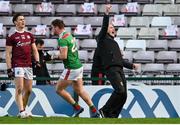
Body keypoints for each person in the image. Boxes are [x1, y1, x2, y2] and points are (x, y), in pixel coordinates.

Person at [93, 4, 139, 118]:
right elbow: (104, 27)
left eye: (113, 27)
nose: (112, 28)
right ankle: (104, 110)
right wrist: (106, 13)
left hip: (119, 69)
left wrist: (132, 65)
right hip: (111, 69)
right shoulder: (102, 39)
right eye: (110, 27)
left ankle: (113, 115)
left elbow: (120, 60)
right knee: (120, 90)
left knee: (124, 95)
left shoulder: (114, 43)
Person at [51, 19, 99, 118]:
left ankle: (77, 107)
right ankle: (94, 110)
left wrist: (53, 56)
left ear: (56, 27)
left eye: (52, 27)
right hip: (78, 66)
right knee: (80, 90)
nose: (52, 30)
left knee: (58, 89)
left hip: (71, 67)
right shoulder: (69, 35)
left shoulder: (62, 39)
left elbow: (64, 56)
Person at [6, 13, 40, 118]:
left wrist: (37, 61)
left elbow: (34, 49)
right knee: (19, 88)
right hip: (17, 64)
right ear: (15, 22)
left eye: (24, 19)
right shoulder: (12, 37)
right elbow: (8, 53)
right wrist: (9, 68)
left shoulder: (30, 35)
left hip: (28, 65)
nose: (23, 21)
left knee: (29, 90)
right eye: (20, 19)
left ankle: (23, 110)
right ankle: (21, 111)